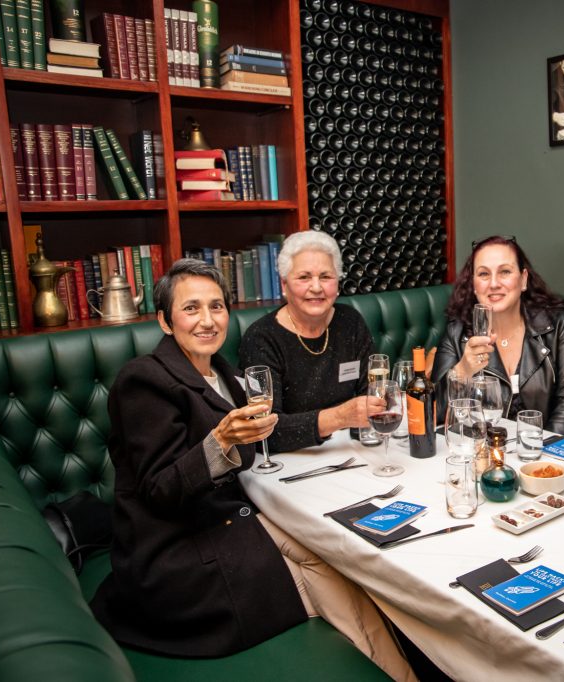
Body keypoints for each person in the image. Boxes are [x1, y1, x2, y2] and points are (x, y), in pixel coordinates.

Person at [91, 259, 413, 679]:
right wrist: (220, 441)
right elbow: (159, 490)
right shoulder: (143, 380)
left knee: (339, 554)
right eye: (191, 308)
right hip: (178, 555)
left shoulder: (223, 373)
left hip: (228, 522)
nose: (207, 320)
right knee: (338, 577)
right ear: (165, 321)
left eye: (216, 306)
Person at [431, 235, 564, 438]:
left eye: (505, 272)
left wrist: (536, 452)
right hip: (487, 450)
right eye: (483, 274)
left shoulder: (558, 324)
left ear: (523, 280)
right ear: (473, 284)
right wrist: (463, 371)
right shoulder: (457, 333)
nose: (494, 283)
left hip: (552, 450)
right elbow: (435, 414)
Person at [239, 230, 382, 453]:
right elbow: (264, 431)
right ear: (284, 285)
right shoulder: (261, 338)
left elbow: (373, 394)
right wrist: (339, 417)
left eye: (325, 277)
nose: (316, 287)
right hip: (290, 458)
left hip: (348, 449)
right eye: (304, 277)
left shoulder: (350, 322)